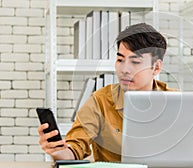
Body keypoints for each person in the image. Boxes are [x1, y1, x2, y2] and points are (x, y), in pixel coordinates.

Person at [38, 23, 177, 162]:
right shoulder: (100, 101)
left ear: (156, 67)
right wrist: (58, 152)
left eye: (135, 62)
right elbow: (76, 147)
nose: (124, 69)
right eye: (120, 60)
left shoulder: (178, 102)